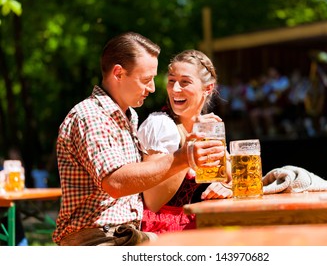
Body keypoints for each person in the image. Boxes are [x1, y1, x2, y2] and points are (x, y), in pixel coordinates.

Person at [52, 32, 225, 246]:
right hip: (95, 239)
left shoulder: (128, 116)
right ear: (118, 74)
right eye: (146, 80)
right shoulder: (91, 116)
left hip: (125, 234)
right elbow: (115, 182)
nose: (153, 88)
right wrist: (183, 157)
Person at [138, 49, 232, 234]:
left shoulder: (207, 128)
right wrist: (187, 153)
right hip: (161, 231)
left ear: (208, 88)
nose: (175, 89)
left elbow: (235, 177)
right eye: (171, 80)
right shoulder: (161, 124)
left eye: (185, 82)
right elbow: (153, 201)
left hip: (194, 224)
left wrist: (228, 186)